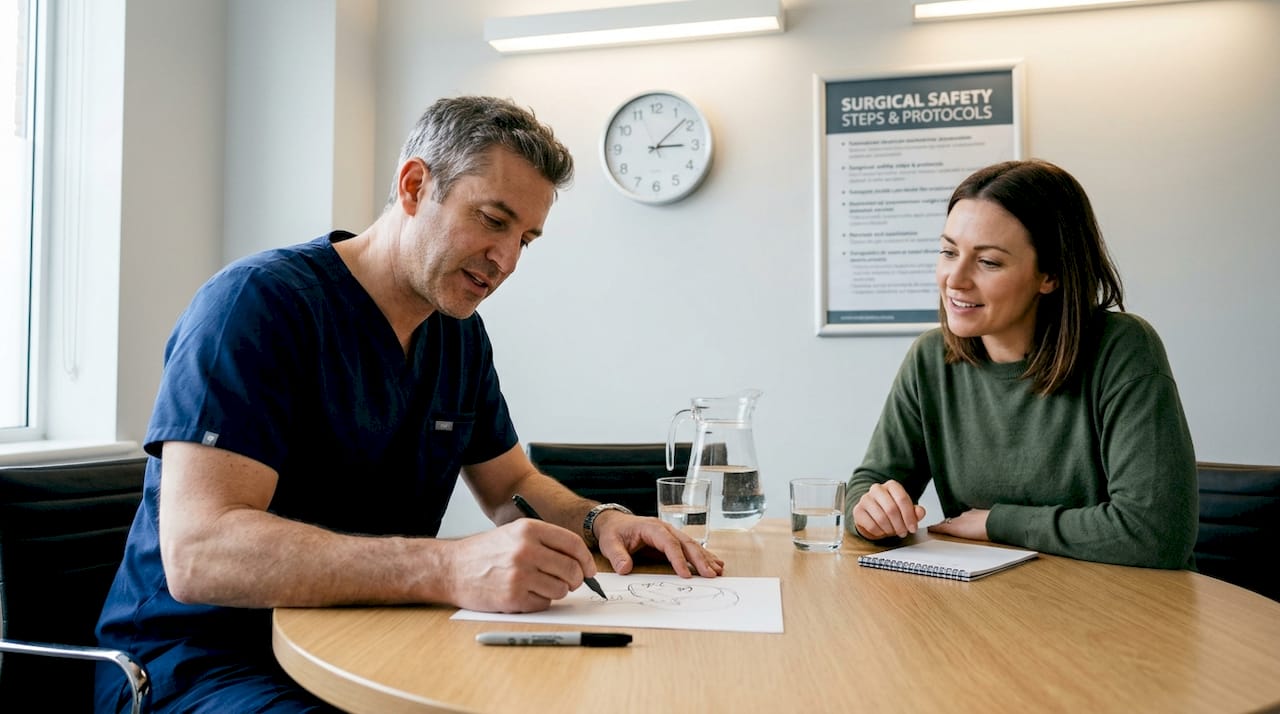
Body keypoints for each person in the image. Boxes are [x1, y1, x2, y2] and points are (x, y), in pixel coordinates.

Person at [95, 96, 724, 713]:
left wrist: (599, 519)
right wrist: (449, 567)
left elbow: (513, 488)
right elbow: (200, 554)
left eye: (526, 239)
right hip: (196, 668)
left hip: (367, 642)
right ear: (415, 185)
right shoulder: (258, 306)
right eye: (493, 220)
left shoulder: (457, 334)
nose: (505, 261)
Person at [846, 159, 1197, 570]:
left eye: (988, 262)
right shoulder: (931, 357)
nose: (954, 279)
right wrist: (869, 512)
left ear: (1049, 274)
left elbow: (1155, 533)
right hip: (995, 608)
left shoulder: (1122, 348)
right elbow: (869, 485)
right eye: (948, 251)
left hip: (1117, 611)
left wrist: (998, 522)